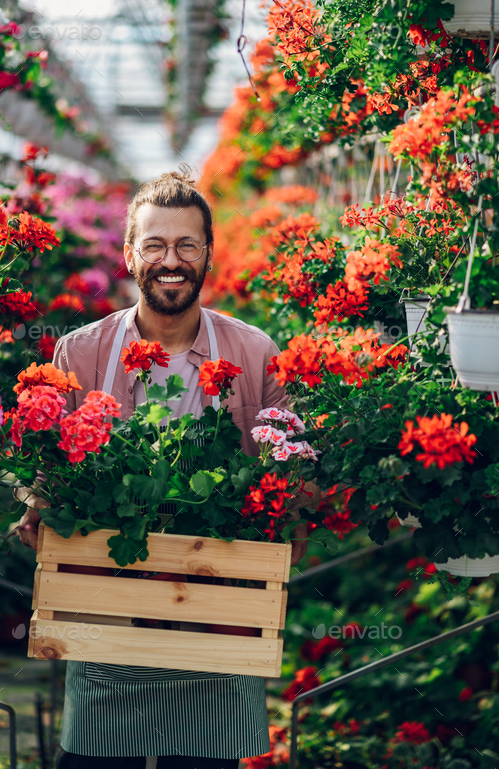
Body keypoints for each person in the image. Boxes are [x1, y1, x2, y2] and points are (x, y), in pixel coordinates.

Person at [18, 168, 321, 769]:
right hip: (107, 605)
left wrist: (296, 501)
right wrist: (38, 504)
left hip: (218, 612)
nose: (171, 260)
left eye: (186, 245)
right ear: (131, 254)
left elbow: (292, 461)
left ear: (207, 254)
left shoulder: (253, 352)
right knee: (98, 760)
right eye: (154, 245)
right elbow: (54, 463)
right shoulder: (80, 351)